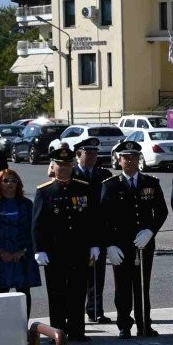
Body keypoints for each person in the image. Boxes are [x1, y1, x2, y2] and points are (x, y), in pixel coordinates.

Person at [100, 140, 168, 338]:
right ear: (119, 160)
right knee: (122, 287)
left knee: (142, 284)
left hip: (144, 243)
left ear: (139, 159)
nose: (130, 161)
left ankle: (144, 323)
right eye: (125, 158)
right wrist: (109, 245)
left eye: (133, 157)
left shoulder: (150, 183)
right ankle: (124, 325)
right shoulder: (111, 185)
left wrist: (151, 231)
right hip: (120, 244)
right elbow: (103, 218)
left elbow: (161, 212)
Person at [32, 150, 97, 340]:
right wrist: (39, 249)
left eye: (68, 165)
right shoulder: (44, 191)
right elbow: (37, 223)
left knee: (77, 291)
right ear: (53, 166)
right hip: (55, 251)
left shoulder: (84, 188)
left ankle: (77, 331)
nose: (64, 169)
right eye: (60, 165)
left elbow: (93, 219)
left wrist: (95, 245)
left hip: (79, 249)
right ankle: (58, 332)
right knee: (56, 292)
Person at [74, 138, 112, 324]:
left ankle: (96, 310)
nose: (91, 157)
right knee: (76, 276)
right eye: (87, 153)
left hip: (98, 231)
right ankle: (73, 312)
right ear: (78, 154)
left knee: (97, 275)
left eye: (94, 153)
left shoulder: (104, 174)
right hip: (76, 232)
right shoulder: (71, 174)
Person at [0, 169, 39, 308]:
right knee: (1, 293)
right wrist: (0, 251)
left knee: (24, 293)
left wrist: (24, 250)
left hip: (22, 256)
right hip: (1, 256)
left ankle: (24, 326)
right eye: (5, 180)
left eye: (13, 180)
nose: (9, 184)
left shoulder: (26, 204)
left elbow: (33, 231)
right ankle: (2, 327)